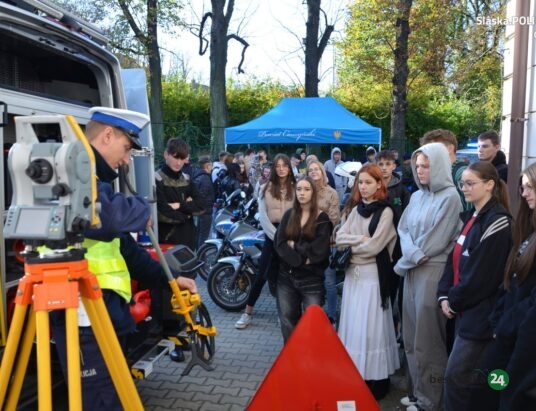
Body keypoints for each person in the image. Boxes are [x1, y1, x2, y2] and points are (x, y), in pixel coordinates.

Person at [51, 107, 198, 410]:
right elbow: (111, 218)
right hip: (82, 315)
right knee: (102, 401)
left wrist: (169, 280)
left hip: (103, 314)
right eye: (127, 148)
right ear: (107, 135)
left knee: (113, 392)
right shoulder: (75, 176)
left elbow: (124, 250)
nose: (127, 159)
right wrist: (142, 210)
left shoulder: (94, 179)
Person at [436, 161, 512, 411]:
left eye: (470, 183)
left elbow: (480, 276)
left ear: (489, 184)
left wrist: (453, 301)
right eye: (462, 183)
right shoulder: (473, 217)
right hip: (463, 310)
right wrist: (443, 295)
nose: (464, 188)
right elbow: (453, 259)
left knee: (458, 382)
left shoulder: (498, 222)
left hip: (480, 316)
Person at [394, 142, 463, 411]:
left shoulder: (451, 197)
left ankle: (431, 401)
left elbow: (435, 241)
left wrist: (411, 254)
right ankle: (417, 393)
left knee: (428, 341)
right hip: (412, 268)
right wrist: (411, 254)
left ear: (439, 166)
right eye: (418, 165)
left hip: (432, 271)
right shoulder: (416, 196)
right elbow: (403, 229)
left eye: (426, 166)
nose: (420, 171)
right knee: (410, 337)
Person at [469, 162, 536, 410]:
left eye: (530, 187)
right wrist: (499, 319)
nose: (524, 193)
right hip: (509, 335)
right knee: (485, 394)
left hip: (523, 344)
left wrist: (505, 326)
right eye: (522, 187)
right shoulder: (528, 230)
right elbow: (512, 283)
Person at [335, 164, 400, 400]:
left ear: (379, 184)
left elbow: (375, 247)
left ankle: (378, 378)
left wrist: (354, 246)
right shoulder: (356, 210)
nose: (363, 187)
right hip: (353, 277)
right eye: (360, 182)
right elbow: (339, 238)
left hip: (373, 278)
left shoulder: (386, 212)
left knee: (372, 329)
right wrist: (359, 240)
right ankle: (358, 376)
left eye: (368, 182)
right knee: (354, 328)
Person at [235, 154, 296, 329]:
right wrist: (277, 237)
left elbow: (298, 215)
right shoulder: (265, 188)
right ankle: (247, 313)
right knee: (261, 275)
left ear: (289, 168)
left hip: (290, 235)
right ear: (274, 169)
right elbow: (263, 216)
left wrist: (288, 237)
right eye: (278, 165)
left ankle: (283, 313)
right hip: (271, 236)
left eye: (285, 165)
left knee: (285, 277)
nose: (282, 168)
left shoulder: (296, 188)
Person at [274, 176, 332, 342]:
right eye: (299, 189)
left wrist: (296, 246)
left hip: (312, 280)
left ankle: (310, 360)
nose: (302, 193)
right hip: (287, 278)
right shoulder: (288, 215)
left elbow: (319, 252)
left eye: (306, 189)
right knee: (287, 321)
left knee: (312, 324)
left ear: (313, 193)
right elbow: (280, 244)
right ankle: (291, 360)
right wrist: (301, 259)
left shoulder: (322, 218)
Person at [306, 159, 341, 323]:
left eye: (316, 169)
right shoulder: (304, 191)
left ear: (322, 172)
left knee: (329, 281)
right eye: (310, 170)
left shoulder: (331, 193)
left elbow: (334, 219)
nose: (313, 172)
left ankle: (331, 315)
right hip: (306, 243)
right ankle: (310, 314)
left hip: (327, 243)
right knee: (310, 280)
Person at [155, 137, 204, 250]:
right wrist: (188, 213)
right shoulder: (156, 179)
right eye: (175, 157)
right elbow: (162, 213)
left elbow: (202, 206)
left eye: (182, 158)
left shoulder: (186, 179)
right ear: (166, 154)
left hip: (189, 242)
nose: (178, 163)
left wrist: (179, 205)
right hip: (167, 242)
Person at [421, 128, 471, 211]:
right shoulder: (437, 173)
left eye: (433, 148)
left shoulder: (462, 173)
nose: (428, 153)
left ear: (449, 149)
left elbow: (469, 210)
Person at [191, 155, 214, 249]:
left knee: (199, 234)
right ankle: (201, 257)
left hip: (201, 211)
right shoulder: (205, 179)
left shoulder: (198, 176)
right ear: (207, 166)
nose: (212, 168)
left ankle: (198, 254)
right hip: (205, 211)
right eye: (211, 165)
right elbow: (202, 197)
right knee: (203, 236)